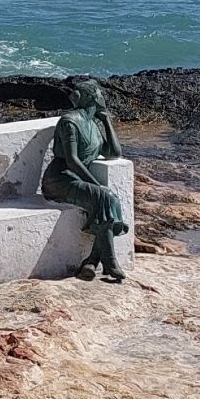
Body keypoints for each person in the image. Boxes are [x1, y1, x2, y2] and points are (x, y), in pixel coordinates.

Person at [41, 78, 129, 282]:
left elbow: (114, 152)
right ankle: (110, 263)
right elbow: (72, 160)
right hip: (59, 181)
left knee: (111, 200)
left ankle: (92, 261)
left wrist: (106, 120)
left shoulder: (93, 124)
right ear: (91, 97)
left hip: (77, 180)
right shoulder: (69, 121)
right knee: (104, 196)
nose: (102, 96)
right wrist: (96, 185)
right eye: (99, 93)